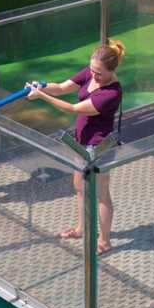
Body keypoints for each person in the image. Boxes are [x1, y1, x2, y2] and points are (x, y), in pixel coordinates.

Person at [25, 41, 125, 255]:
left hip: (100, 147)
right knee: (79, 187)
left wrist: (41, 96)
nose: (93, 75)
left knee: (101, 194)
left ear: (111, 71)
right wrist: (41, 87)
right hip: (81, 142)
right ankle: (81, 228)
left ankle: (104, 240)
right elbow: (61, 88)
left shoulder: (112, 93)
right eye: (92, 70)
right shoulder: (91, 72)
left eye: (98, 73)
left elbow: (73, 108)